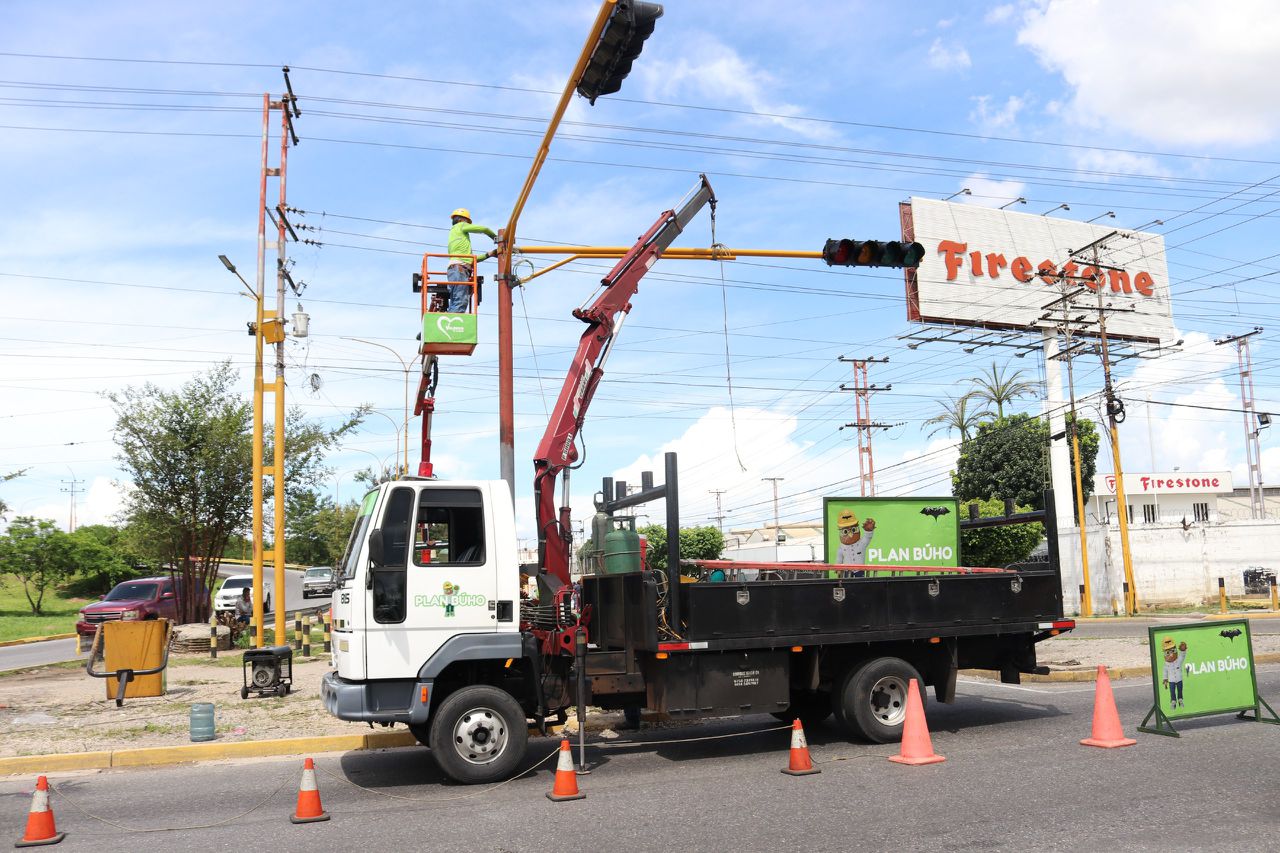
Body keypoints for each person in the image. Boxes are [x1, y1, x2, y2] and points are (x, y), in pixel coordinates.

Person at [446, 208, 500, 313]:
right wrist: (497, 238)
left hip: (455, 270)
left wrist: (489, 254)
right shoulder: (460, 226)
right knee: (460, 301)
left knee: (456, 300)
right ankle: (451, 326)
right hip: (459, 269)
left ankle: (448, 323)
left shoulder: (456, 236)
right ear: (461, 220)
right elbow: (484, 229)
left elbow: (471, 260)